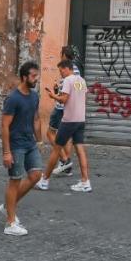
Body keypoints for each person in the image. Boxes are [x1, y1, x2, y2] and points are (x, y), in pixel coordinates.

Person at [1, 62, 44, 237]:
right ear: (24, 77)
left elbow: (35, 118)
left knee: (36, 175)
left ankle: (8, 206)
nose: (36, 79)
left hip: (30, 143)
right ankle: (10, 223)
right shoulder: (13, 99)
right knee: (15, 180)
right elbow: (4, 126)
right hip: (16, 145)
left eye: (37, 75)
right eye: (33, 76)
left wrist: (39, 140)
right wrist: (6, 152)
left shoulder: (34, 96)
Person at [37, 59, 92, 193]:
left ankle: (44, 180)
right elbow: (83, 97)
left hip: (69, 121)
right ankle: (85, 182)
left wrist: (53, 96)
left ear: (67, 68)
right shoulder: (81, 80)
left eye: (61, 70)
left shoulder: (68, 80)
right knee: (80, 150)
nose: (61, 73)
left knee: (56, 150)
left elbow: (64, 99)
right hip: (80, 120)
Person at [43, 45, 80, 179]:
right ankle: (67, 167)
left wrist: (55, 94)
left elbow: (67, 91)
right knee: (68, 137)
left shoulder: (66, 69)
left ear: (64, 56)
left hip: (61, 107)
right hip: (71, 107)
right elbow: (76, 89)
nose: (60, 56)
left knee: (50, 133)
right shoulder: (76, 70)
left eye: (61, 54)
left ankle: (65, 160)